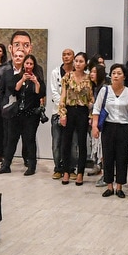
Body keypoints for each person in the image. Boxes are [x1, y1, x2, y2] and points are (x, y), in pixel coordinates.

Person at [0, 50, 44, 175]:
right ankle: (6, 165)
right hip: (16, 114)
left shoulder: (38, 78)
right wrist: (22, 79)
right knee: (11, 140)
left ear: (34, 65)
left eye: (31, 64)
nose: (28, 66)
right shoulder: (18, 77)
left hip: (31, 115)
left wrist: (35, 82)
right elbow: (14, 91)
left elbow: (40, 94)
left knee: (29, 140)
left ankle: (31, 166)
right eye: (26, 63)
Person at [93, 63, 128, 197]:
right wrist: (95, 126)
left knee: (122, 157)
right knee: (108, 156)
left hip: (123, 127)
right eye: (113, 73)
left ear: (124, 76)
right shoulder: (105, 91)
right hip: (108, 126)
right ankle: (109, 185)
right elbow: (97, 108)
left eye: (119, 73)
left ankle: (120, 186)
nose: (116, 76)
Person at [57, 52, 94, 185]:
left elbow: (91, 98)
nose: (78, 64)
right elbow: (63, 96)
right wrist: (62, 113)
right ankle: (66, 171)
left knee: (81, 143)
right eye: (76, 61)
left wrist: (91, 115)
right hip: (70, 110)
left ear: (85, 63)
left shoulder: (89, 78)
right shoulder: (67, 77)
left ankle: (80, 173)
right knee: (66, 143)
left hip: (83, 111)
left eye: (81, 61)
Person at [50, 48, 75, 179]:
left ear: (73, 57)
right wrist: (63, 105)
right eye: (64, 54)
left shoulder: (78, 73)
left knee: (72, 143)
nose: (66, 57)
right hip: (57, 112)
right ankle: (58, 168)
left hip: (74, 112)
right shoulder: (55, 72)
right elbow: (54, 92)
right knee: (57, 143)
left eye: (68, 54)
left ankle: (70, 168)